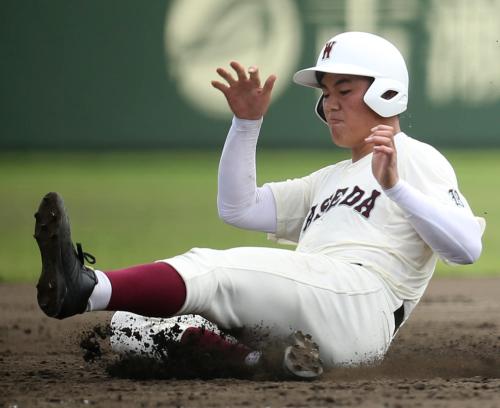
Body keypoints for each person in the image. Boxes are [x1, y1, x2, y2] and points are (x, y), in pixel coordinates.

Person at [34, 32, 485, 379]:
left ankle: (85, 288)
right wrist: (246, 124)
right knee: (131, 325)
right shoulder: (326, 180)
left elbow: (466, 249)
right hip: (313, 308)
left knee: (212, 271)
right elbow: (239, 208)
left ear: (385, 94)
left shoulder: (415, 157)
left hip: (361, 305)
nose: (329, 103)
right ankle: (266, 362)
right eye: (325, 92)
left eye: (343, 90)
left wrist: (398, 188)